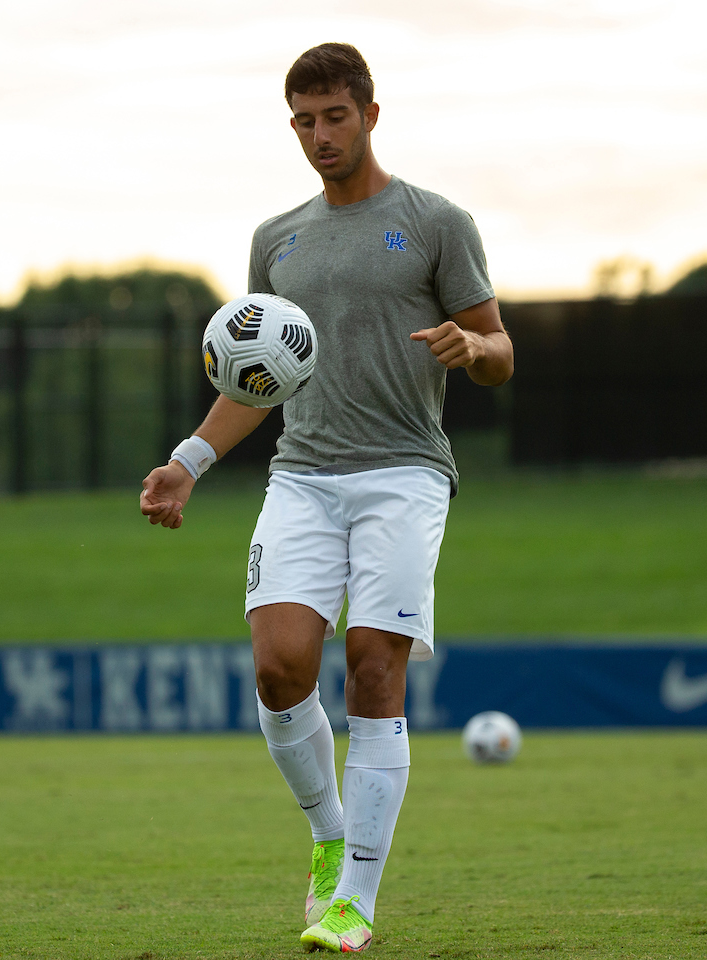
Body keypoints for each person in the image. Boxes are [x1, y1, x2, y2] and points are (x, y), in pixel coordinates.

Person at [140, 42, 513, 953]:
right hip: (301, 477)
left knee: (376, 671)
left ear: (370, 114)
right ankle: (327, 832)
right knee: (278, 668)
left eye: (334, 116)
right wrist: (190, 460)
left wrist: (474, 353)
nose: (319, 135)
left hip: (404, 472)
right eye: (302, 121)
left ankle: (354, 902)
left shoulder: (435, 222)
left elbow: (500, 349)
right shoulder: (279, 239)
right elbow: (257, 380)